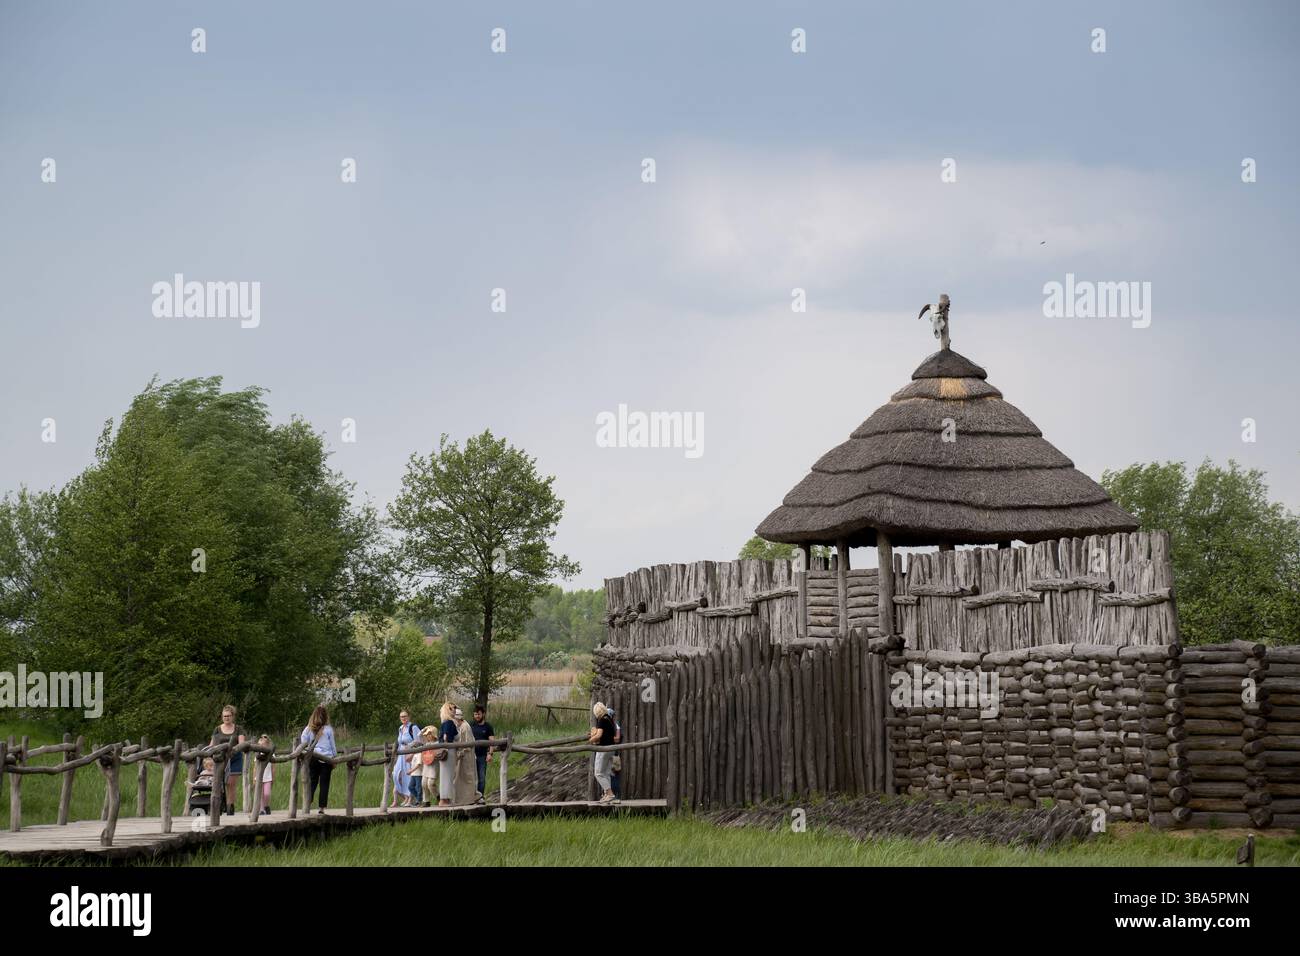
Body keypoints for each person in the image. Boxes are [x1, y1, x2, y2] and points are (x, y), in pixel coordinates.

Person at [300, 705, 337, 814]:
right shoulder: (328, 729)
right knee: (324, 783)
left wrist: (306, 751)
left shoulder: (308, 728)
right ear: (326, 717)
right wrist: (334, 758)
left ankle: (307, 804)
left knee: (312, 781)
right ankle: (321, 808)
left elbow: (303, 742)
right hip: (326, 759)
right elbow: (332, 745)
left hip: (313, 757)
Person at [210, 705, 246, 816]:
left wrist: (233, 750)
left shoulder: (238, 729)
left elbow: (241, 744)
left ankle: (230, 806)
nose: (226, 718)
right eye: (224, 716)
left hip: (234, 758)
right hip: (220, 759)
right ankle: (219, 805)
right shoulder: (217, 729)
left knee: (230, 783)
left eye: (229, 716)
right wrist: (208, 753)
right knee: (218, 783)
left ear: (233, 716)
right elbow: (212, 744)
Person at [390, 709, 421, 809]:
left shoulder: (413, 727)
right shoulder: (400, 728)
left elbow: (419, 740)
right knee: (396, 775)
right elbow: (399, 742)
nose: (403, 718)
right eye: (401, 717)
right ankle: (405, 797)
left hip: (410, 753)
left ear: (409, 717)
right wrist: (396, 755)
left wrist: (410, 746)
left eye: (405, 716)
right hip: (401, 753)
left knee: (408, 776)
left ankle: (410, 799)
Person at [590, 702, 618, 804]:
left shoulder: (601, 720)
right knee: (606, 773)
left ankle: (610, 794)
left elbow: (599, 735)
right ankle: (607, 795)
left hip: (603, 749)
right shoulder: (609, 719)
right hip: (611, 749)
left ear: (597, 712)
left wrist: (590, 740)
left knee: (598, 773)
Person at [452, 707, 478, 806]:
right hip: (461, 756)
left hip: (467, 756)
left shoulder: (465, 727)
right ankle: (462, 800)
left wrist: (461, 751)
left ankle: (470, 799)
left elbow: (469, 743)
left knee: (468, 778)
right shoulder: (459, 727)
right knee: (459, 778)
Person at [470, 704, 496, 802]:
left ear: (483, 714)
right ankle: (472, 797)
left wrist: (490, 754)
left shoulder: (488, 726)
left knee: (481, 777)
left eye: (479, 714)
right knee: (471, 777)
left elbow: (492, 741)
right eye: (475, 714)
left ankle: (480, 797)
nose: (477, 716)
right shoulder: (471, 725)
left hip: (482, 756)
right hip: (471, 755)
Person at [436, 702, 457, 806]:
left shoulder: (444, 723)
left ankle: (443, 798)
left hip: (443, 750)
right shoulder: (450, 723)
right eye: (452, 708)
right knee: (448, 776)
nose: (454, 710)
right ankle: (446, 799)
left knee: (444, 775)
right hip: (449, 750)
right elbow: (446, 737)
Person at [418, 724, 439, 807]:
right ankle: (426, 801)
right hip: (426, 765)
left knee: (431, 784)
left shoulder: (438, 743)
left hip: (434, 765)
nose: (427, 736)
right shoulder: (426, 744)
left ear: (433, 734)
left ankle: (438, 797)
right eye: (427, 735)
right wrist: (425, 728)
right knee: (423, 783)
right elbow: (419, 736)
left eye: (429, 734)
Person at [606, 706, 623, 799]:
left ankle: (616, 796)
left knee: (614, 775)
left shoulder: (615, 726)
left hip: (614, 755)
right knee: (605, 775)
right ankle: (608, 795)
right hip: (605, 754)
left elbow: (617, 739)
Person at [256, 734, 274, 815]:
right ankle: (261, 809)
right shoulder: (258, 755)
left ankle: (266, 806)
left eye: (264, 745)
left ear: (268, 745)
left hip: (268, 778)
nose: (263, 746)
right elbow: (255, 768)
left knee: (266, 793)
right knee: (260, 794)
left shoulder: (271, 755)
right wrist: (254, 778)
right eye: (261, 745)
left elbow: (273, 768)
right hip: (259, 777)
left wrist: (273, 777)